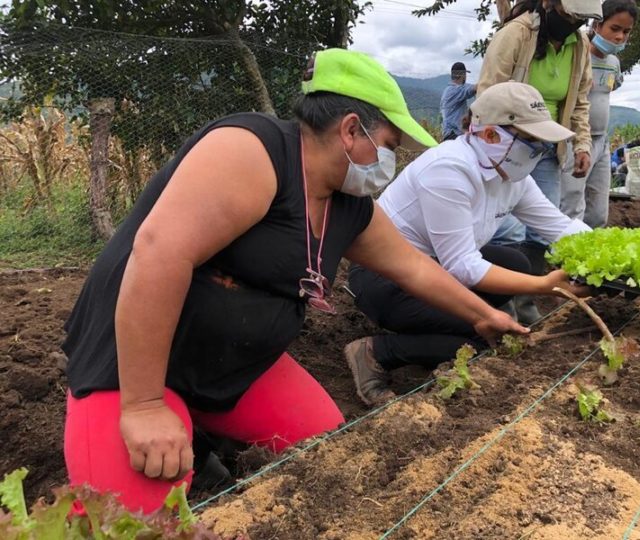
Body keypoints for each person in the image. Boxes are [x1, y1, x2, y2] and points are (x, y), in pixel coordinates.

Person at [60, 48, 528, 513]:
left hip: (233, 364)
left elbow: (414, 268)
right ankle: (171, 424)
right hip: (136, 362)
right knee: (129, 518)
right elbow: (159, 255)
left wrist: (484, 315)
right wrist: (144, 405)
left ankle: (201, 432)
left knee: (325, 446)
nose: (390, 162)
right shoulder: (252, 151)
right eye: (387, 146)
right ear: (350, 129)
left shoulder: (348, 206)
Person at [344, 82, 591, 407]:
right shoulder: (449, 169)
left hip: (435, 269)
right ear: (490, 135)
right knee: (484, 335)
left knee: (515, 263)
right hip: (385, 278)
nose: (538, 152)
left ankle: (439, 332)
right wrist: (546, 286)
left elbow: (560, 227)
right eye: (530, 142)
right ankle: (375, 352)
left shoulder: (513, 177)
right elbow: (463, 265)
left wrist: (614, 258)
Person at [475, 0, 601, 322]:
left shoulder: (579, 45)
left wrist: (582, 145)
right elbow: (488, 93)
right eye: (571, 14)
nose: (574, 22)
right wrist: (490, 145)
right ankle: (499, 306)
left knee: (539, 233)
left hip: (549, 147)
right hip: (510, 142)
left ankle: (527, 302)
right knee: (508, 232)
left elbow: (580, 101)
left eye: (581, 18)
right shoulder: (517, 33)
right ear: (549, 3)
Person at [560, 0, 637, 228]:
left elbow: (612, 87)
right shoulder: (576, 54)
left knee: (598, 211)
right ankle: (562, 256)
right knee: (572, 203)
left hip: (602, 142)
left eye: (626, 32)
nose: (620, 37)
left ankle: (591, 253)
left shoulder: (613, 62)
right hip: (576, 139)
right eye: (614, 29)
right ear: (597, 24)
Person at [440, 62, 477, 141]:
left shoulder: (450, 89)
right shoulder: (454, 90)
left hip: (451, 134)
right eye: (465, 74)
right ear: (462, 75)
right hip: (453, 135)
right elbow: (472, 89)